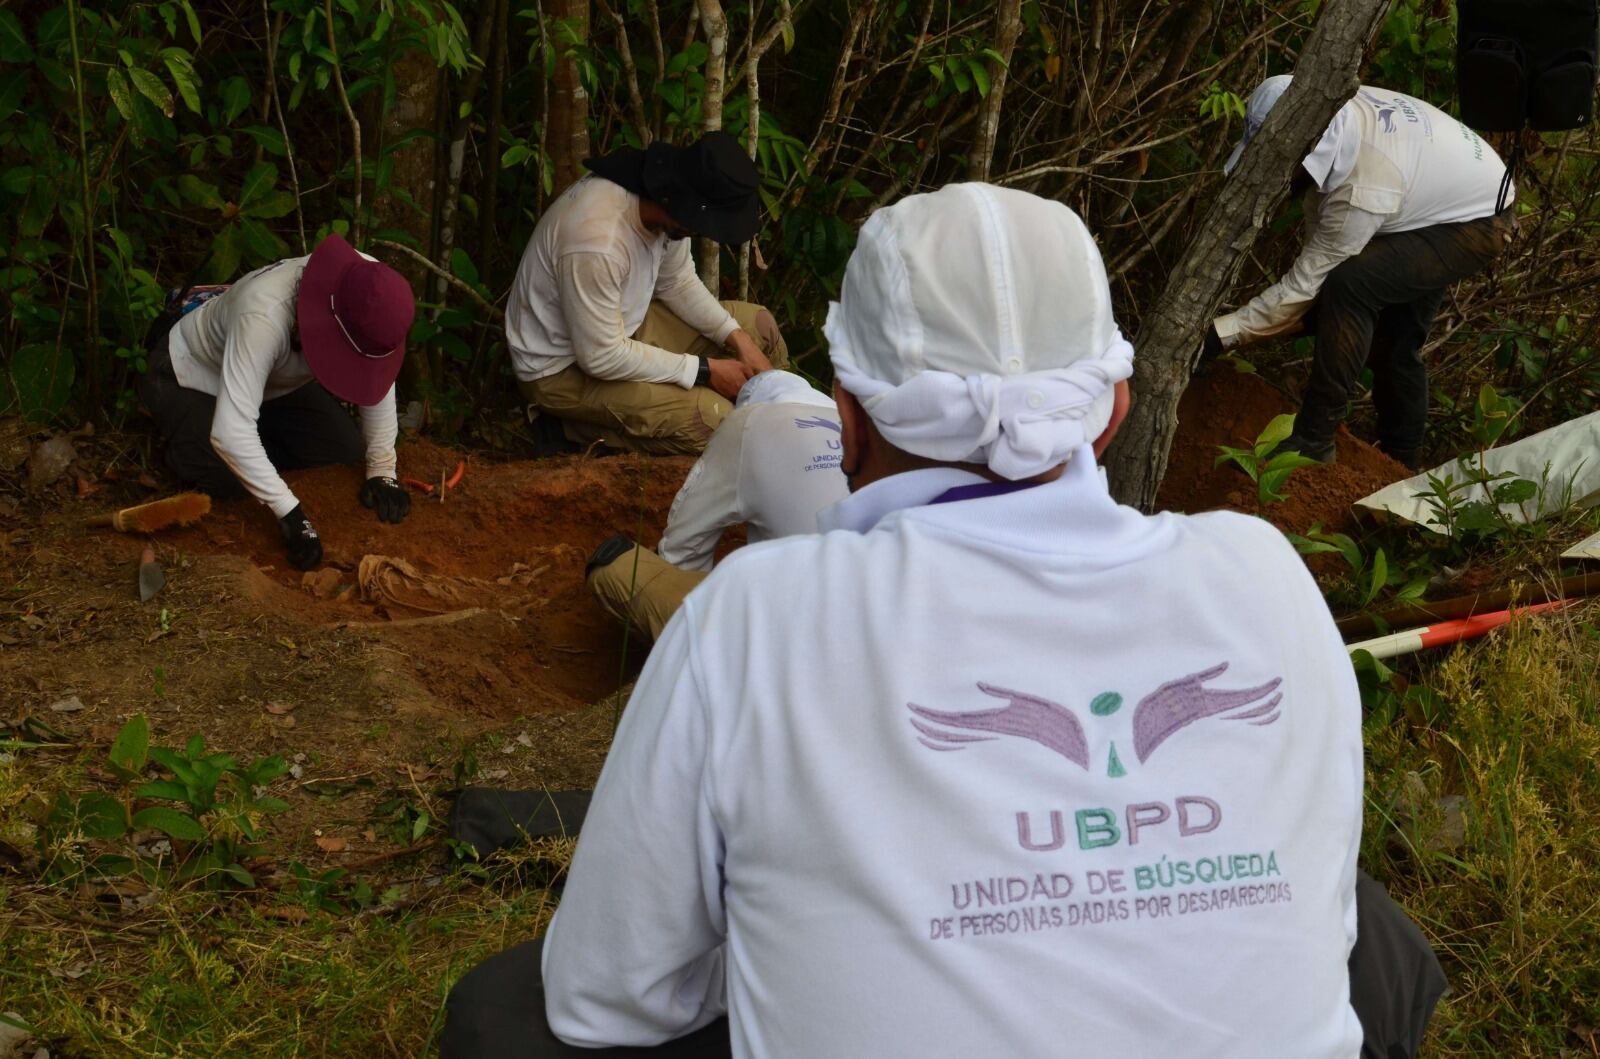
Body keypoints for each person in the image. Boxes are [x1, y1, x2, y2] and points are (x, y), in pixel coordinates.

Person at [440, 184, 1446, 1058]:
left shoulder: (753, 618)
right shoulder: (1259, 572)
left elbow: (604, 996)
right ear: (1111, 409)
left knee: (503, 1016)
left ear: (848, 417)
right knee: (1369, 933)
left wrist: (794, 949)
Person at [1208, 76, 1515, 468]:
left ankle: (1315, 439)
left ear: (1308, 153)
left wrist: (1217, 338)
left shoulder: (1363, 188)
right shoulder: (1325, 110)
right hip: (1445, 187)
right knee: (1394, 335)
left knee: (1351, 287)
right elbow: (1317, 258)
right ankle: (1401, 460)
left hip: (1478, 219)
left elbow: (1307, 287)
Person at [139, 234, 415, 571]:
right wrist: (289, 511)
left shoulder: (372, 287)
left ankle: (252, 434)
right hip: (192, 374)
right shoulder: (263, 315)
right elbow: (229, 433)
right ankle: (194, 437)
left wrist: (383, 470)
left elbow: (376, 369)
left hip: (273, 383)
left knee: (342, 453)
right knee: (231, 485)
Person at [506, 131, 787, 455]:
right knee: (714, 423)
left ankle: (778, 431)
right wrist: (706, 371)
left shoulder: (664, 207)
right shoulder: (598, 242)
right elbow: (600, 357)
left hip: (621, 328)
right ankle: (570, 428)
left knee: (760, 327)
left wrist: (740, 341)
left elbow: (676, 282)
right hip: (561, 370)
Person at [585, 369, 848, 638]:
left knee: (615, 564)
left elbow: (683, 552)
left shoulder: (747, 422)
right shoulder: (855, 428)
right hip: (860, 633)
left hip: (782, 642)